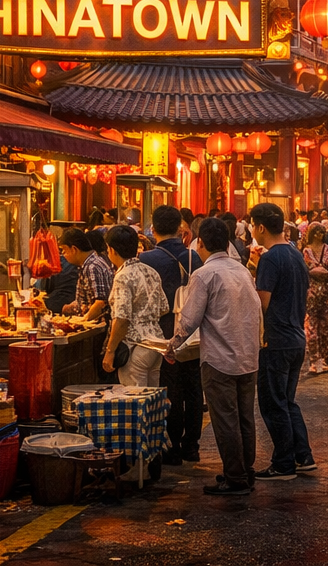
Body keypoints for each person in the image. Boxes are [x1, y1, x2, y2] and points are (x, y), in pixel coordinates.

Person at [167, 217, 262, 495]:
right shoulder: (241, 270)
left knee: (226, 420)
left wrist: (172, 346)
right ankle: (246, 470)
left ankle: (235, 477)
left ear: (201, 243)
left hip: (220, 359)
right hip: (247, 356)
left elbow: (189, 320)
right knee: (245, 417)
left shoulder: (205, 274)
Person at [250, 203, 315, 480]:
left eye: (253, 225)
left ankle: (284, 463)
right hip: (295, 338)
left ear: (261, 227)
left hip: (275, 339)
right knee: (287, 401)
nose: (253, 230)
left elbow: (261, 303)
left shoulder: (271, 258)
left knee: (273, 402)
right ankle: (303, 455)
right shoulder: (294, 254)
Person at [139, 205, 204, 465]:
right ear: (181, 228)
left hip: (162, 334)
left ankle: (173, 444)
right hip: (192, 333)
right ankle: (192, 446)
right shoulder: (194, 257)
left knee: (171, 389)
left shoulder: (145, 260)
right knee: (193, 388)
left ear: (153, 229)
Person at [102, 226, 169, 387]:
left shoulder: (123, 276)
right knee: (153, 402)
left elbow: (122, 318)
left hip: (135, 347)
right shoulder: (150, 271)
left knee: (135, 403)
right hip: (156, 344)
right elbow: (164, 307)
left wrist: (110, 351)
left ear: (112, 250)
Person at [302, 222, 328, 374]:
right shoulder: (305, 251)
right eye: (316, 231)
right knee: (311, 328)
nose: (319, 234)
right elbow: (308, 270)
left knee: (327, 328)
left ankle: (326, 360)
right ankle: (314, 361)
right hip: (311, 293)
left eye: (322, 231)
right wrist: (325, 272)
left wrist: (319, 271)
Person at [58, 228, 112, 322]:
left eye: (64, 250)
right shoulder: (88, 264)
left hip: (97, 327)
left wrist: (83, 320)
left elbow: (101, 302)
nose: (63, 254)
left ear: (74, 249)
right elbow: (85, 300)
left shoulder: (92, 266)